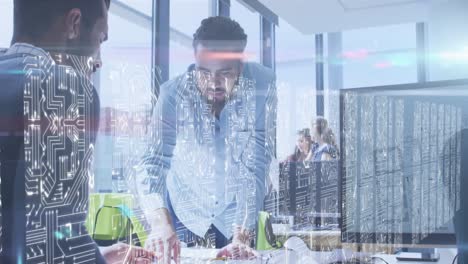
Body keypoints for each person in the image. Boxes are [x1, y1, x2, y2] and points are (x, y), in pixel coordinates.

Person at [0, 0, 154, 263]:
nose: (99, 62)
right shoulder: (60, 87)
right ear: (74, 24)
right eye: (100, 39)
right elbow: (52, 248)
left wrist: (95, 254)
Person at [131, 16, 277, 263]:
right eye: (204, 72)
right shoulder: (172, 95)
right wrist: (160, 224)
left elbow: (256, 164)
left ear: (241, 66)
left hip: (234, 212)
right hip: (185, 210)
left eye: (224, 73)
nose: (213, 83)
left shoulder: (262, 85)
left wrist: (241, 234)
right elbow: (152, 163)